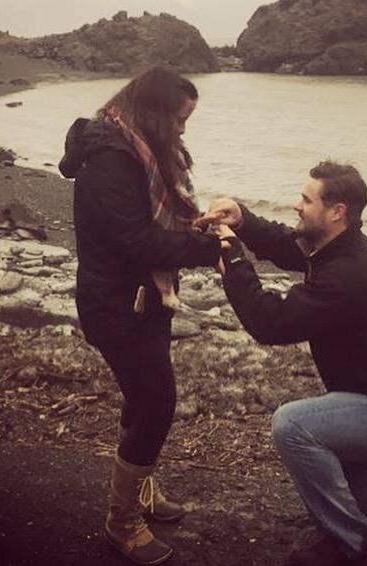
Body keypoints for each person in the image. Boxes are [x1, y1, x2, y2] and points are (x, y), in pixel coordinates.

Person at [202, 162, 367, 564]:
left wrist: (235, 264)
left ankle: (348, 543)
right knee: (354, 495)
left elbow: (271, 324)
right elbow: (289, 245)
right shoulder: (339, 246)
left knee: (292, 424)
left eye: (307, 200)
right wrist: (243, 219)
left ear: (337, 210)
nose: (297, 205)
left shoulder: (346, 273)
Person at [59, 66, 222, 565]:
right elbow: (133, 240)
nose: (182, 130)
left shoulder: (140, 150)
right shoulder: (110, 158)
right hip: (115, 304)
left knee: (142, 396)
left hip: (145, 299)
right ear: (153, 114)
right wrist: (201, 248)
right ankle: (122, 522)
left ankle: (141, 494)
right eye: (178, 119)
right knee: (156, 402)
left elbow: (152, 223)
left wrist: (195, 229)